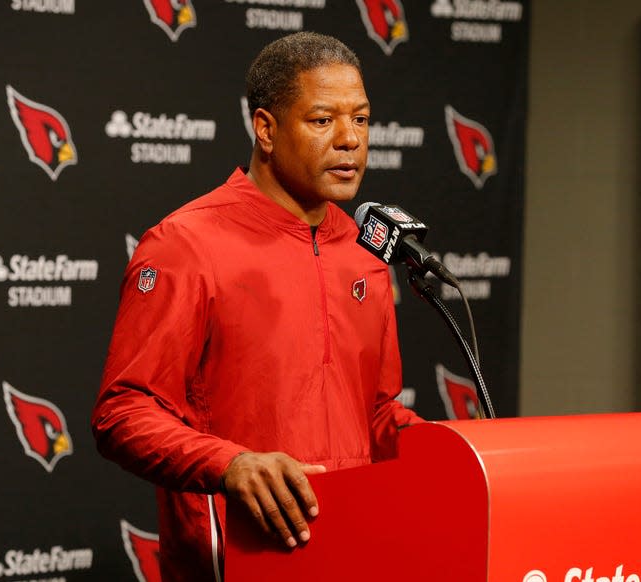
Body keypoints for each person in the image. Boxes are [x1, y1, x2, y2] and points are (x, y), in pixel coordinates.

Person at [92, 31, 423, 582]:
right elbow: (123, 411)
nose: (349, 140)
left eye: (361, 120)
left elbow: (378, 413)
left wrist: (462, 450)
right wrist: (231, 464)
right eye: (322, 120)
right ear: (266, 129)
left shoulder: (366, 253)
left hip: (353, 551)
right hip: (235, 560)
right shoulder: (185, 243)